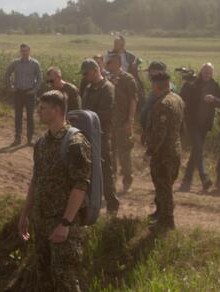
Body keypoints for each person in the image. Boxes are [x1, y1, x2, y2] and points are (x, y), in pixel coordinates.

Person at [18, 90, 91, 291]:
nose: (38, 112)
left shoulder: (75, 143)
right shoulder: (42, 143)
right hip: (41, 222)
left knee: (65, 279)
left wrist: (65, 223)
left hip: (62, 224)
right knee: (44, 278)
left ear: (57, 110)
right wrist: (25, 214)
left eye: (43, 108)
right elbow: (36, 180)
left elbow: (80, 185)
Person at [142, 68, 184, 230]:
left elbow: (160, 134)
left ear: (156, 85)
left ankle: (167, 222)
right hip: (175, 149)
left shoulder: (162, 104)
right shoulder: (177, 99)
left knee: (163, 188)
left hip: (163, 154)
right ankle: (161, 214)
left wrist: (149, 152)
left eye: (152, 84)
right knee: (165, 185)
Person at [80, 58, 120, 214]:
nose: (84, 76)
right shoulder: (89, 88)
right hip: (86, 134)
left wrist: (87, 120)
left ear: (95, 70)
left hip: (101, 135)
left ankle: (112, 205)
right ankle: (89, 204)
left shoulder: (107, 88)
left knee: (104, 170)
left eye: (86, 73)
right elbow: (83, 109)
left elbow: (104, 114)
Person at [179, 63, 220, 192]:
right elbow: (182, 98)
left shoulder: (215, 86)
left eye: (209, 72)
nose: (207, 74)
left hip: (205, 125)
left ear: (212, 74)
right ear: (201, 71)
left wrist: (214, 99)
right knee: (198, 148)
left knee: (196, 151)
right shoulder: (193, 84)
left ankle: (187, 180)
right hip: (192, 122)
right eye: (205, 71)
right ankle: (204, 178)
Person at [106, 53, 138, 193]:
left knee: (124, 153)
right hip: (109, 122)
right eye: (108, 63)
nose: (108, 65)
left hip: (123, 122)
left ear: (118, 63)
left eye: (111, 62)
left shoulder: (128, 79)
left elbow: (133, 100)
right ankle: (111, 181)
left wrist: (130, 120)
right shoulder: (106, 79)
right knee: (110, 153)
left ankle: (127, 180)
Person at [6, 44, 43, 146]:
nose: (24, 53)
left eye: (26, 51)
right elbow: (7, 73)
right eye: (22, 51)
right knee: (18, 116)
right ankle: (17, 139)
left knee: (30, 117)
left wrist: (34, 90)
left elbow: (40, 79)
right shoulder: (15, 63)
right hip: (18, 93)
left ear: (29, 51)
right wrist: (11, 86)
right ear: (20, 52)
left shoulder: (35, 63)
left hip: (30, 94)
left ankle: (29, 139)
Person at [105, 35, 145, 108]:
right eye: (114, 43)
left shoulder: (130, 56)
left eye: (117, 43)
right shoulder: (109, 55)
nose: (115, 45)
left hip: (127, 78)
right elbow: (106, 68)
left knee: (137, 85)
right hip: (113, 76)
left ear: (122, 45)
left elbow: (133, 69)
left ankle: (138, 107)